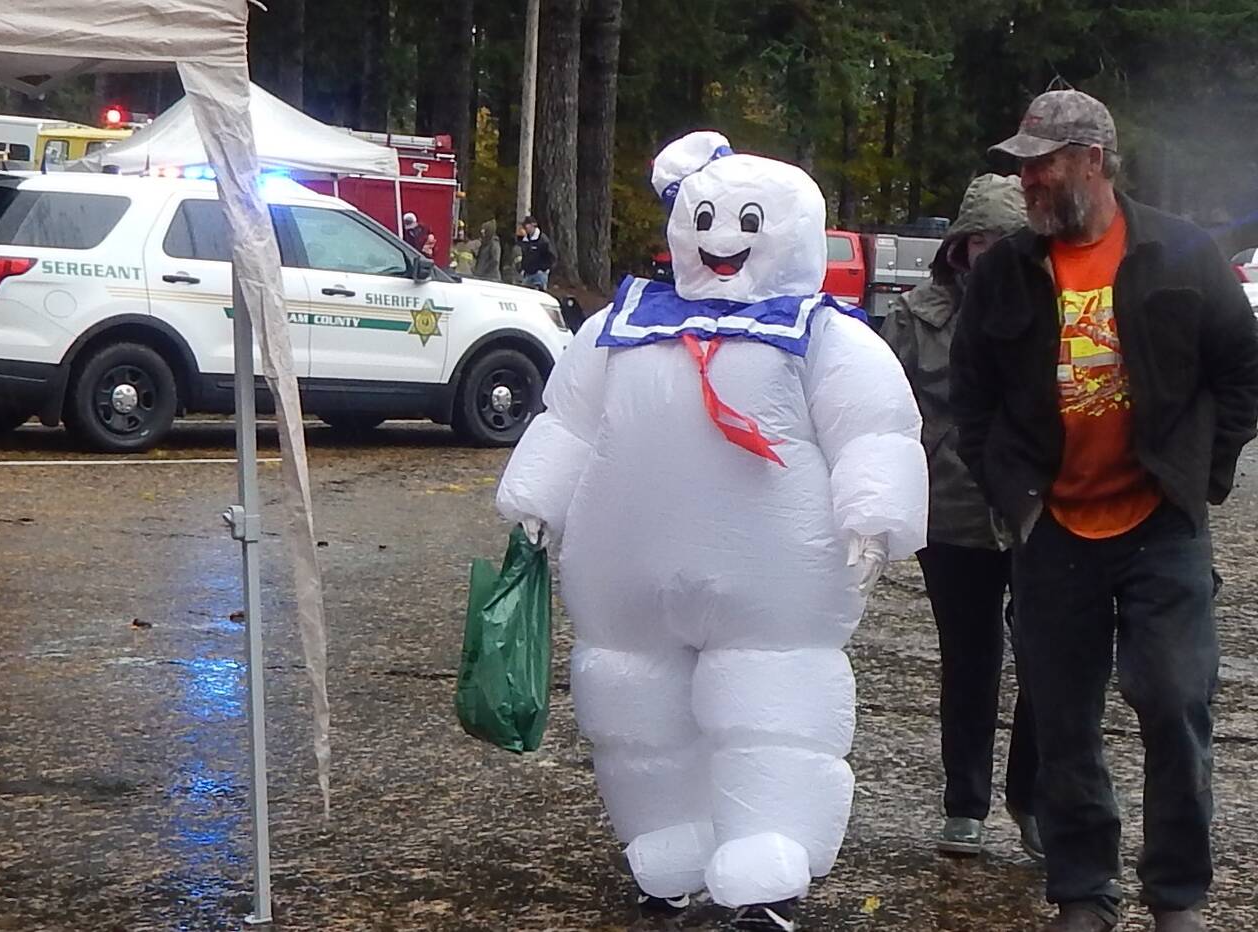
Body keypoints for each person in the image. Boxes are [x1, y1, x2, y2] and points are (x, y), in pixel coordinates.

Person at [498, 131, 926, 932]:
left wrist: (875, 510)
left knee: (767, 699)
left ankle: (770, 840)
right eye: (706, 218)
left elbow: (876, 429)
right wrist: (533, 496)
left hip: (770, 587)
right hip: (626, 582)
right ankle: (666, 835)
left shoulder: (823, 336)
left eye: (747, 222)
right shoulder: (621, 326)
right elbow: (570, 421)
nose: (721, 239)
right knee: (631, 705)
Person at [952, 89, 1258, 932]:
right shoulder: (1006, 270)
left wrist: (1206, 470)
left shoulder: (1180, 252)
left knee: (1173, 699)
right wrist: (1008, 492)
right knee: (1062, 716)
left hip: (1161, 524)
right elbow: (969, 398)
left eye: (1042, 165)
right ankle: (1083, 893)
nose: (1028, 182)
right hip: (1053, 529)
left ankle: (1178, 896)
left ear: (1092, 161)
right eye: (1021, 169)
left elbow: (1242, 370)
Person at [881, 174, 1042, 861]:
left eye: (1006, 239)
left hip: (1039, 508)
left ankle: (1033, 798)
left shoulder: (1056, 308)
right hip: (950, 514)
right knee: (970, 661)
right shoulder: (913, 317)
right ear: (957, 246)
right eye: (979, 239)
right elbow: (882, 411)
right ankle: (964, 804)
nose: (990, 252)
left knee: (1049, 659)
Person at [516, 215, 556, 288]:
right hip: (527, 275)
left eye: (527, 225)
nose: (525, 227)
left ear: (533, 225)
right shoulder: (524, 240)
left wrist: (543, 269)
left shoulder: (543, 240)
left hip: (539, 275)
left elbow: (552, 257)